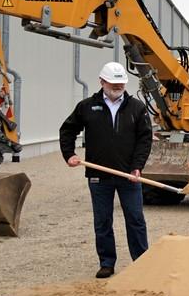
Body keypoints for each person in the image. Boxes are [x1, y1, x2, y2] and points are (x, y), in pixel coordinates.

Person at [59, 61, 152, 279]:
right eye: (113, 83)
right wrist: (69, 154)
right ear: (102, 82)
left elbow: (145, 139)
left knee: (135, 219)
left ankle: (142, 262)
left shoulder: (137, 108)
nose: (118, 87)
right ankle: (107, 263)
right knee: (102, 221)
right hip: (98, 176)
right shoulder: (87, 107)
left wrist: (137, 167)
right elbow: (67, 130)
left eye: (121, 83)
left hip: (129, 176)